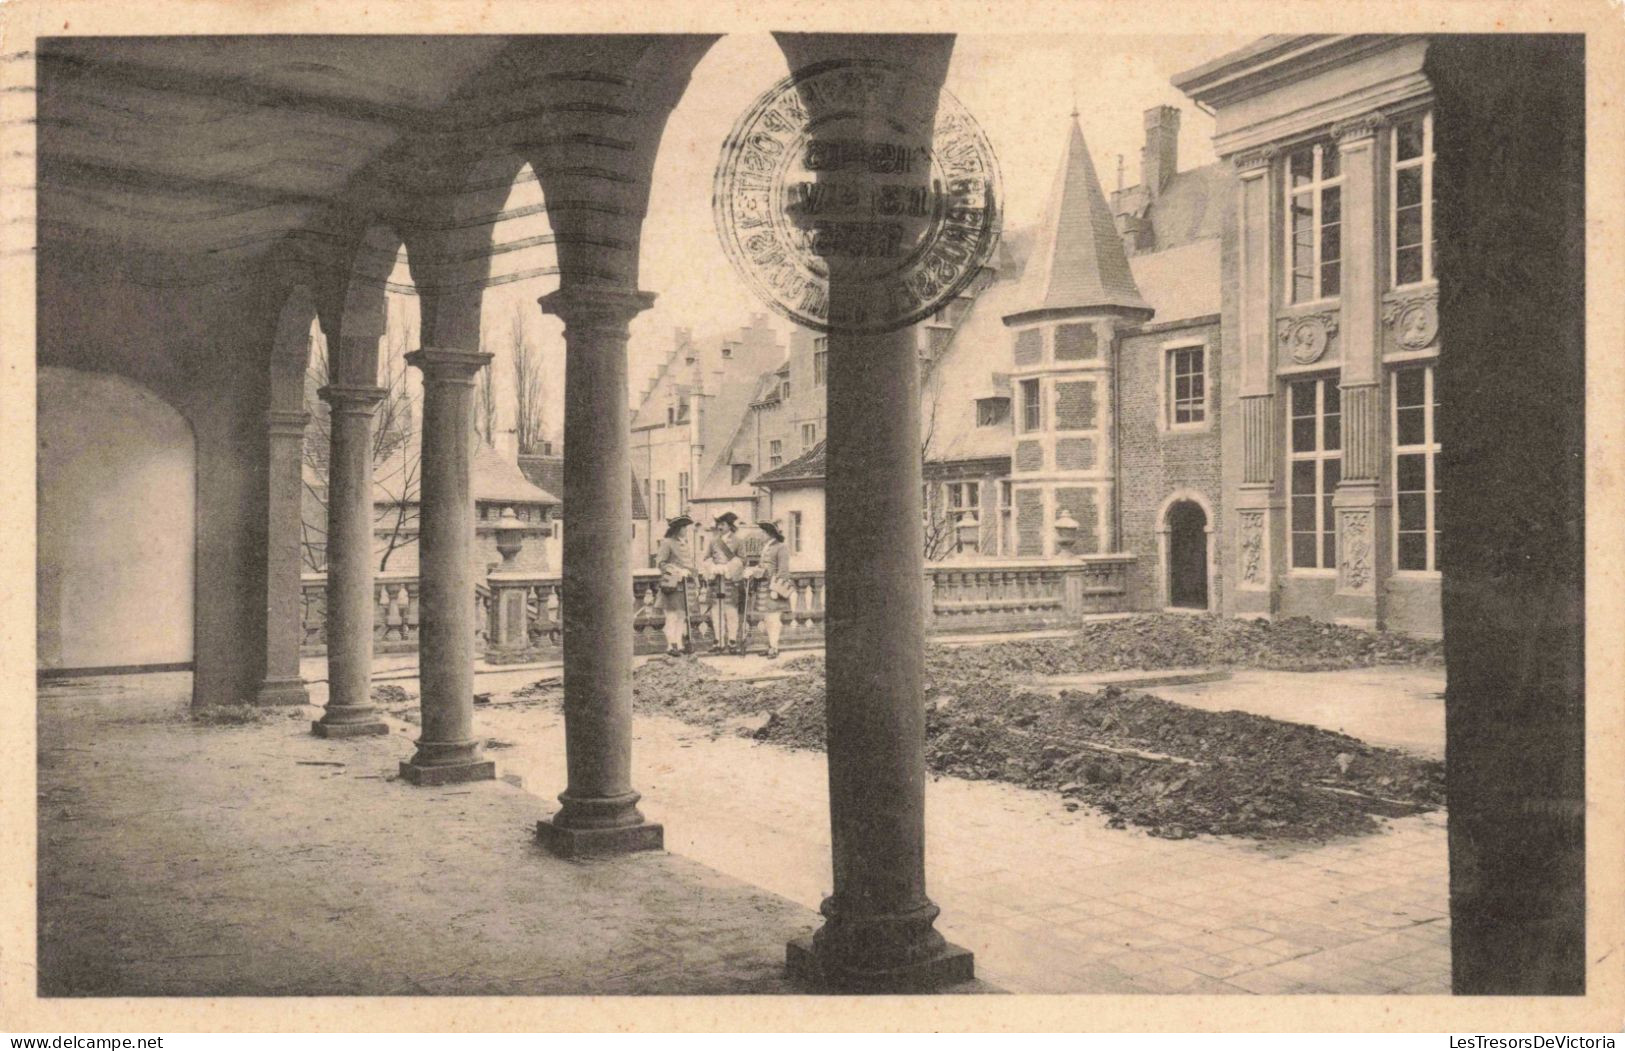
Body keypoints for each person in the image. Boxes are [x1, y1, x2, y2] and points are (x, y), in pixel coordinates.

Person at [703, 512, 747, 654]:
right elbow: (706, 559)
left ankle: (732, 641)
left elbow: (743, 560)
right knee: (716, 612)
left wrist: (728, 568)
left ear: (729, 526)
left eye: (722, 524)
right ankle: (719, 641)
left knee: (731, 612)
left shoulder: (738, 541)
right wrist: (713, 568)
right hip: (716, 582)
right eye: (718, 524)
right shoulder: (713, 541)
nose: (719, 527)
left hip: (730, 582)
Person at [655, 514, 698, 656]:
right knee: (671, 617)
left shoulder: (684, 544)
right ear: (677, 529)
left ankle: (679, 644)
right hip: (672, 585)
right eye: (684, 527)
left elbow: (690, 565)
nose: (686, 530)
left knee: (681, 616)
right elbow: (661, 563)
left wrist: (694, 578)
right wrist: (677, 570)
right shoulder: (667, 542)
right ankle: (670, 645)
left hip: (685, 585)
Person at [750, 519, 792, 659]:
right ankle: (770, 646)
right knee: (767, 619)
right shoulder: (766, 547)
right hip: (764, 587)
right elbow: (765, 567)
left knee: (773, 619)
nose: (760, 535)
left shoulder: (781, 547)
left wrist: (776, 589)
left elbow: (784, 570)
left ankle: (774, 648)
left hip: (774, 589)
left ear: (769, 533)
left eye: (762, 532)